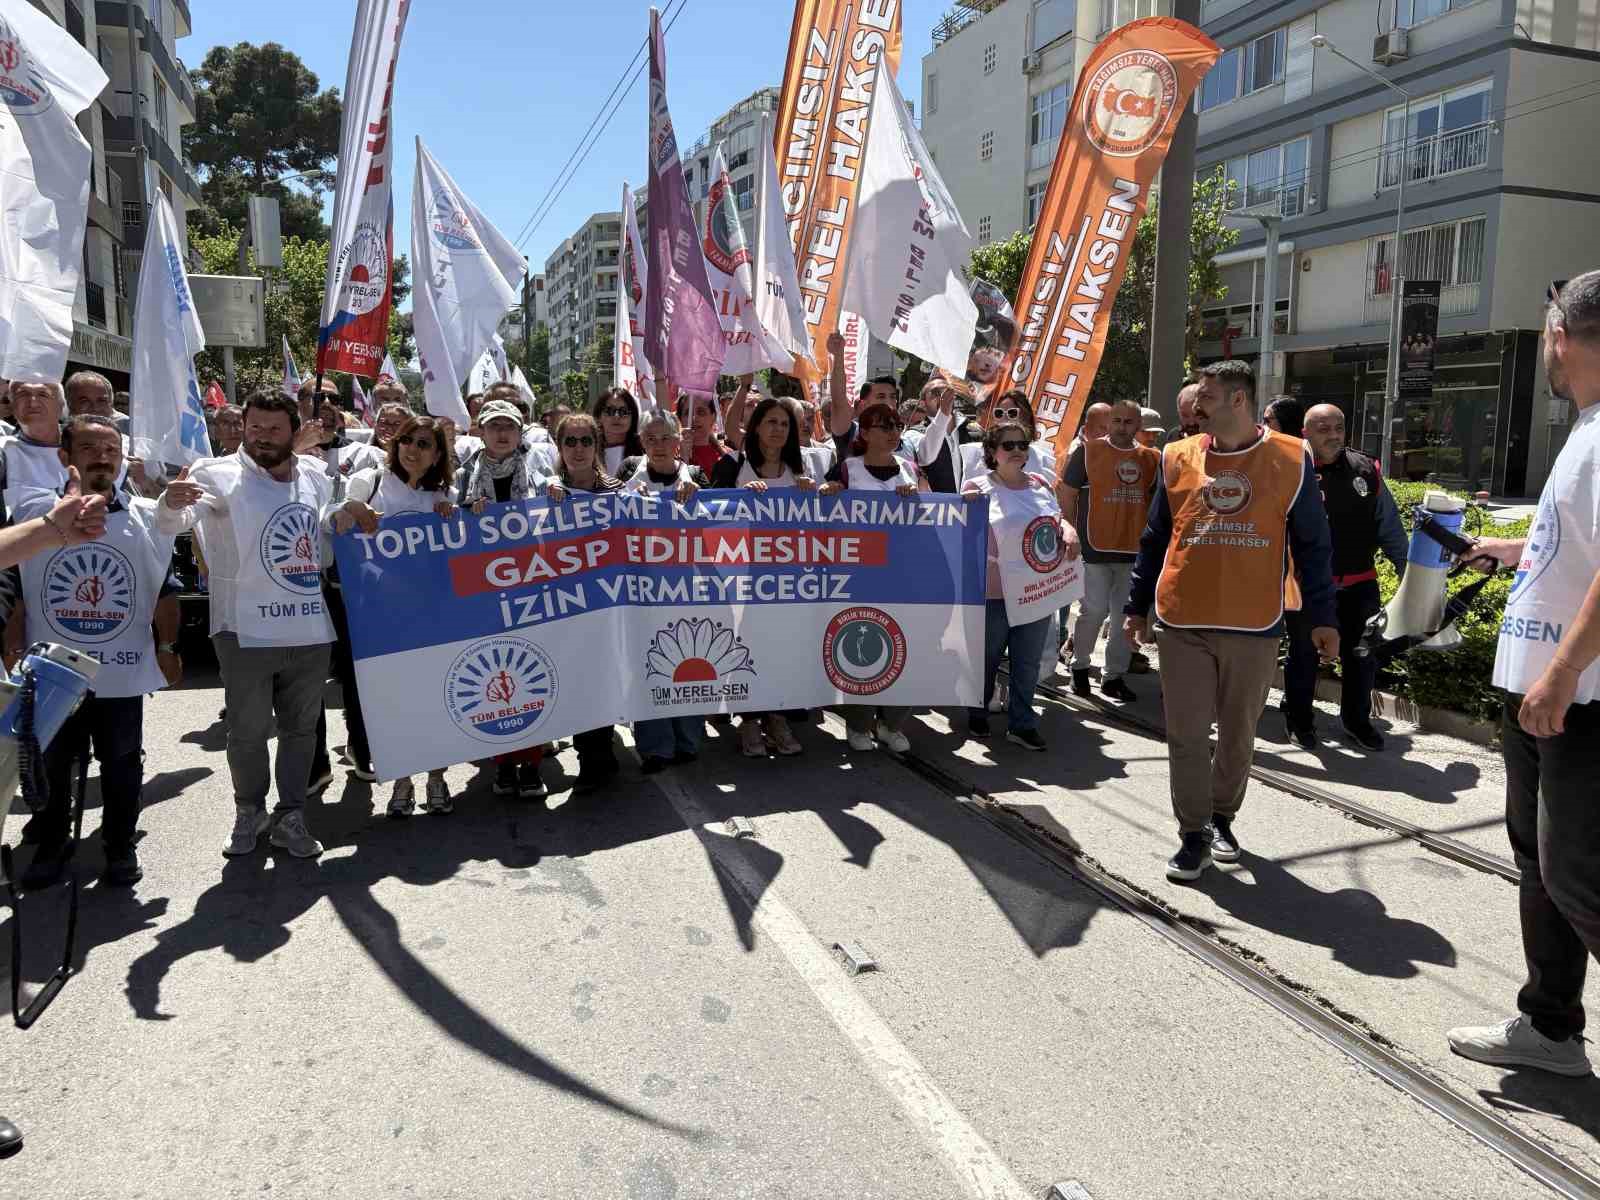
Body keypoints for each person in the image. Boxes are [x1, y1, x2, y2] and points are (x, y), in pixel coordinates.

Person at [1446, 270, 1600, 1079]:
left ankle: (1550, 1024)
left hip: (1578, 698)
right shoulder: (1585, 427)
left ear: (1560, 337)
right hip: (1542, 691)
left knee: (1578, 876)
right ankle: (1549, 1027)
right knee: (1543, 867)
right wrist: (1514, 550)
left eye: (1544, 333)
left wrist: (1564, 672)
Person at [1123, 360, 1338, 882]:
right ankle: (1192, 833)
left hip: (1253, 623)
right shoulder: (1177, 456)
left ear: (1238, 400)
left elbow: (1313, 545)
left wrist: (1322, 617)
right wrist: (1135, 606)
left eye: (1207, 397)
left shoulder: (1291, 457)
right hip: (1182, 619)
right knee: (1186, 734)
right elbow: (1154, 538)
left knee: (1238, 734)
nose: (1195, 406)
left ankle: (1222, 817)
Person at [156, 390, 334, 859]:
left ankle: (291, 815)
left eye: (274, 429)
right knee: (248, 732)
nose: (262, 437)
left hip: (309, 630)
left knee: (301, 730)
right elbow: (174, 522)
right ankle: (249, 811)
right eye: (255, 427)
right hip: (242, 630)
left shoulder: (315, 475)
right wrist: (169, 503)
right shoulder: (213, 473)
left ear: (294, 431)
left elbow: (323, 539)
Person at [11, 416, 180, 888]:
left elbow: (165, 589)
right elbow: (15, 586)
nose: (102, 458)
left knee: (122, 763)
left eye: (111, 450)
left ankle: (119, 846)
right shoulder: (34, 512)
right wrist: (11, 646)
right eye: (89, 448)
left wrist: (168, 646)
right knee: (50, 763)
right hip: (54, 671)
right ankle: (52, 845)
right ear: (65, 457)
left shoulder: (148, 517)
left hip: (120, 672)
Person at [325, 414, 459, 814]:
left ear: (437, 456)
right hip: (379, 615)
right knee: (393, 702)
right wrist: (348, 508)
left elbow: (458, 551)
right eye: (407, 440)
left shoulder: (444, 496)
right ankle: (401, 779)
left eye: (424, 444)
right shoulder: (369, 481)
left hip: (432, 615)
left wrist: (457, 518)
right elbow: (329, 522)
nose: (412, 450)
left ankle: (437, 777)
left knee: (435, 699)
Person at [1283, 403, 1408, 750]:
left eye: (1338, 428)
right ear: (1305, 433)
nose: (1334, 436)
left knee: (1362, 656)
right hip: (1307, 587)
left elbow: (1389, 527)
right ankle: (1299, 720)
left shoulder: (1366, 469)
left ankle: (1356, 721)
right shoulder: (1289, 468)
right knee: (1304, 655)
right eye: (1323, 429)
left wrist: (1408, 573)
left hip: (1359, 583)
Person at [707, 399, 818, 757]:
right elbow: (709, 512)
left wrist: (817, 493)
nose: (778, 430)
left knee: (779, 648)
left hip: (784, 580)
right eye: (771, 422)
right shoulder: (733, 464)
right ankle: (750, 720)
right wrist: (740, 498)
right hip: (740, 578)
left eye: (784, 424)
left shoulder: (799, 471)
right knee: (746, 647)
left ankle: (777, 716)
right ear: (755, 426)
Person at [961, 420, 1079, 749]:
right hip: (993, 591)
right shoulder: (976, 487)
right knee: (986, 658)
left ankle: (1022, 723)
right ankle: (977, 710)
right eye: (1008, 445)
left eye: (1022, 445)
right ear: (992, 452)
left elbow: (1056, 519)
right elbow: (961, 535)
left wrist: (1069, 531)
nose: (1016, 450)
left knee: (1027, 662)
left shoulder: (1040, 484)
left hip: (1036, 589)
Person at [618, 411, 710, 772]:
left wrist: (701, 498)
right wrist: (627, 497)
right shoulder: (628, 472)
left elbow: (723, 522)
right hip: (642, 590)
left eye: (665, 438)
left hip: (688, 589)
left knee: (688, 661)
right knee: (650, 664)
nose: (658, 445)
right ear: (642, 442)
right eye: (650, 438)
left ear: (678, 441)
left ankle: (688, 740)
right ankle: (656, 747)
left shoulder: (697, 476)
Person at [543, 413, 624, 792]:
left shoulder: (617, 492)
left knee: (604, 678)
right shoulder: (544, 493)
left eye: (586, 441)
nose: (578, 449)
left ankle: (599, 751)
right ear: (560, 447)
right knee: (577, 680)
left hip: (609, 603)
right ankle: (590, 754)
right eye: (570, 442)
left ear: (597, 446)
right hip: (566, 604)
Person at [1060, 398, 1159, 702]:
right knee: (1093, 611)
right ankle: (1079, 667)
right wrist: (1069, 528)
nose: (1122, 427)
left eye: (1129, 422)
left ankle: (1113, 676)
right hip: (1094, 549)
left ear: (1138, 425)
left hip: (1133, 551)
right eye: (1117, 421)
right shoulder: (1087, 452)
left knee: (1122, 618)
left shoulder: (1152, 458)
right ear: (1109, 422)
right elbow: (1067, 494)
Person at [0, 379, 69, 520]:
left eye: (43, 394)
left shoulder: (89, 446)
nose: (33, 403)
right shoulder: (4, 449)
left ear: (61, 405)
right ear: (12, 405)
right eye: (23, 394)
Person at [591, 387, 644, 476]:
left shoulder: (644, 448)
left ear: (633, 418)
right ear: (599, 417)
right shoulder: (588, 448)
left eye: (624, 411)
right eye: (610, 411)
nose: (616, 416)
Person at [1162, 382, 1202, 447]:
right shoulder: (1174, 436)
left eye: (1196, 415)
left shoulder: (1216, 437)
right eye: (1185, 415)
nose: (1191, 423)